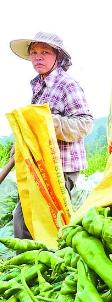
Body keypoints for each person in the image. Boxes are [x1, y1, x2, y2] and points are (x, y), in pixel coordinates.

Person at [7, 31, 93, 238]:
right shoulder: (40, 87)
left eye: (45, 52)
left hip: (61, 166)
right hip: (40, 164)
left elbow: (84, 123)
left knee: (50, 219)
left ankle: (52, 262)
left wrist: (47, 122)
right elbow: (33, 128)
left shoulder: (67, 85)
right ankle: (31, 263)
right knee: (26, 214)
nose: (38, 57)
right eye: (34, 52)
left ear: (58, 57)